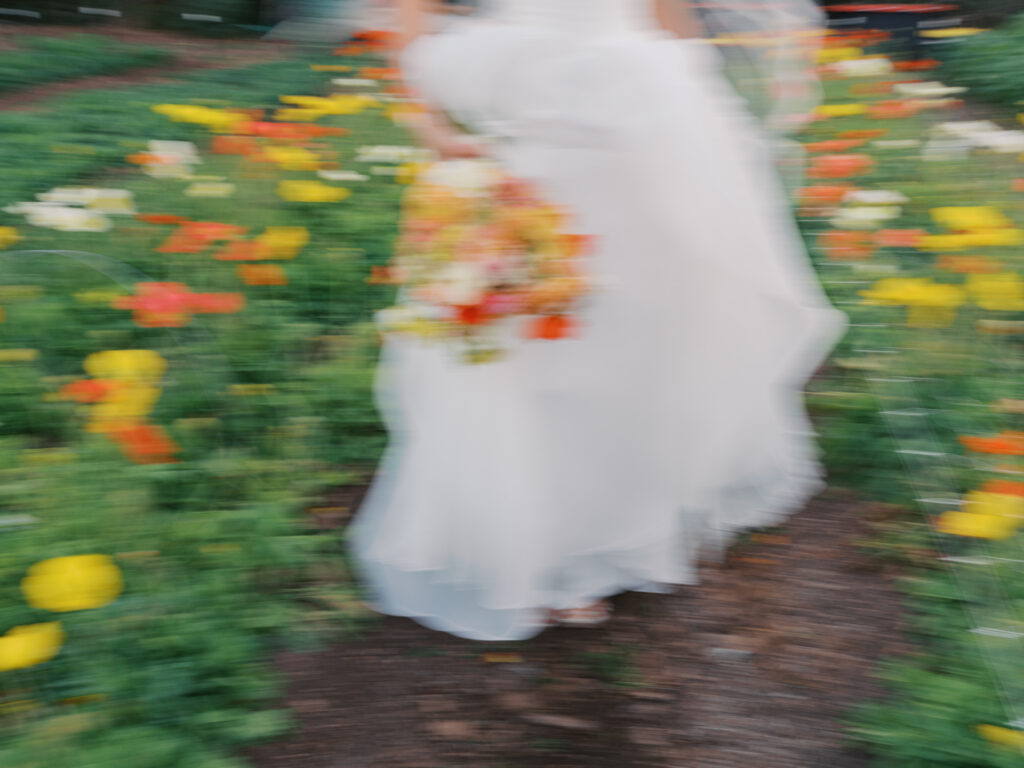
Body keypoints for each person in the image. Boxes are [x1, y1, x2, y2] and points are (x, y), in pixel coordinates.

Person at [350, 0, 847, 641]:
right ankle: (548, 547)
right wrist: (430, 123)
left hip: (637, 118)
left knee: (633, 335)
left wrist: (709, 135)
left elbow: (667, 13)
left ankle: (621, 523)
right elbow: (409, 8)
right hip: (539, 112)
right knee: (534, 337)